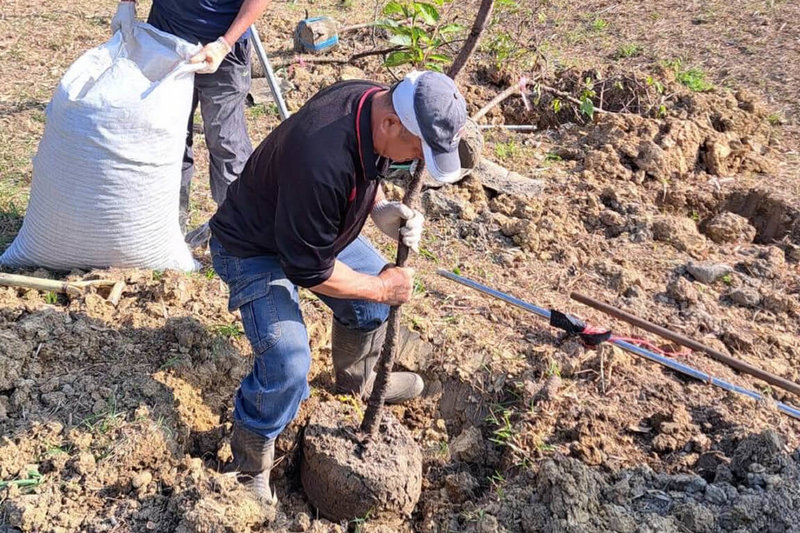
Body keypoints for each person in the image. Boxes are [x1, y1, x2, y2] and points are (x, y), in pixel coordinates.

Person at [208, 70, 468, 503]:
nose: (415, 161)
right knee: (288, 363)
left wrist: (379, 206)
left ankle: (358, 384)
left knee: (369, 309)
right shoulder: (320, 158)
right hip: (253, 248)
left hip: (309, 231)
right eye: (416, 149)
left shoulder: (370, 101)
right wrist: (383, 287)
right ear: (390, 124)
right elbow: (308, 267)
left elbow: (365, 169)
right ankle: (248, 465)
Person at [111, 0, 270, 244]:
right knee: (167, 138)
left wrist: (224, 43)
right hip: (165, 41)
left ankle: (236, 236)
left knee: (226, 141)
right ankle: (166, 231)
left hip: (221, 49)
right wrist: (127, 3)